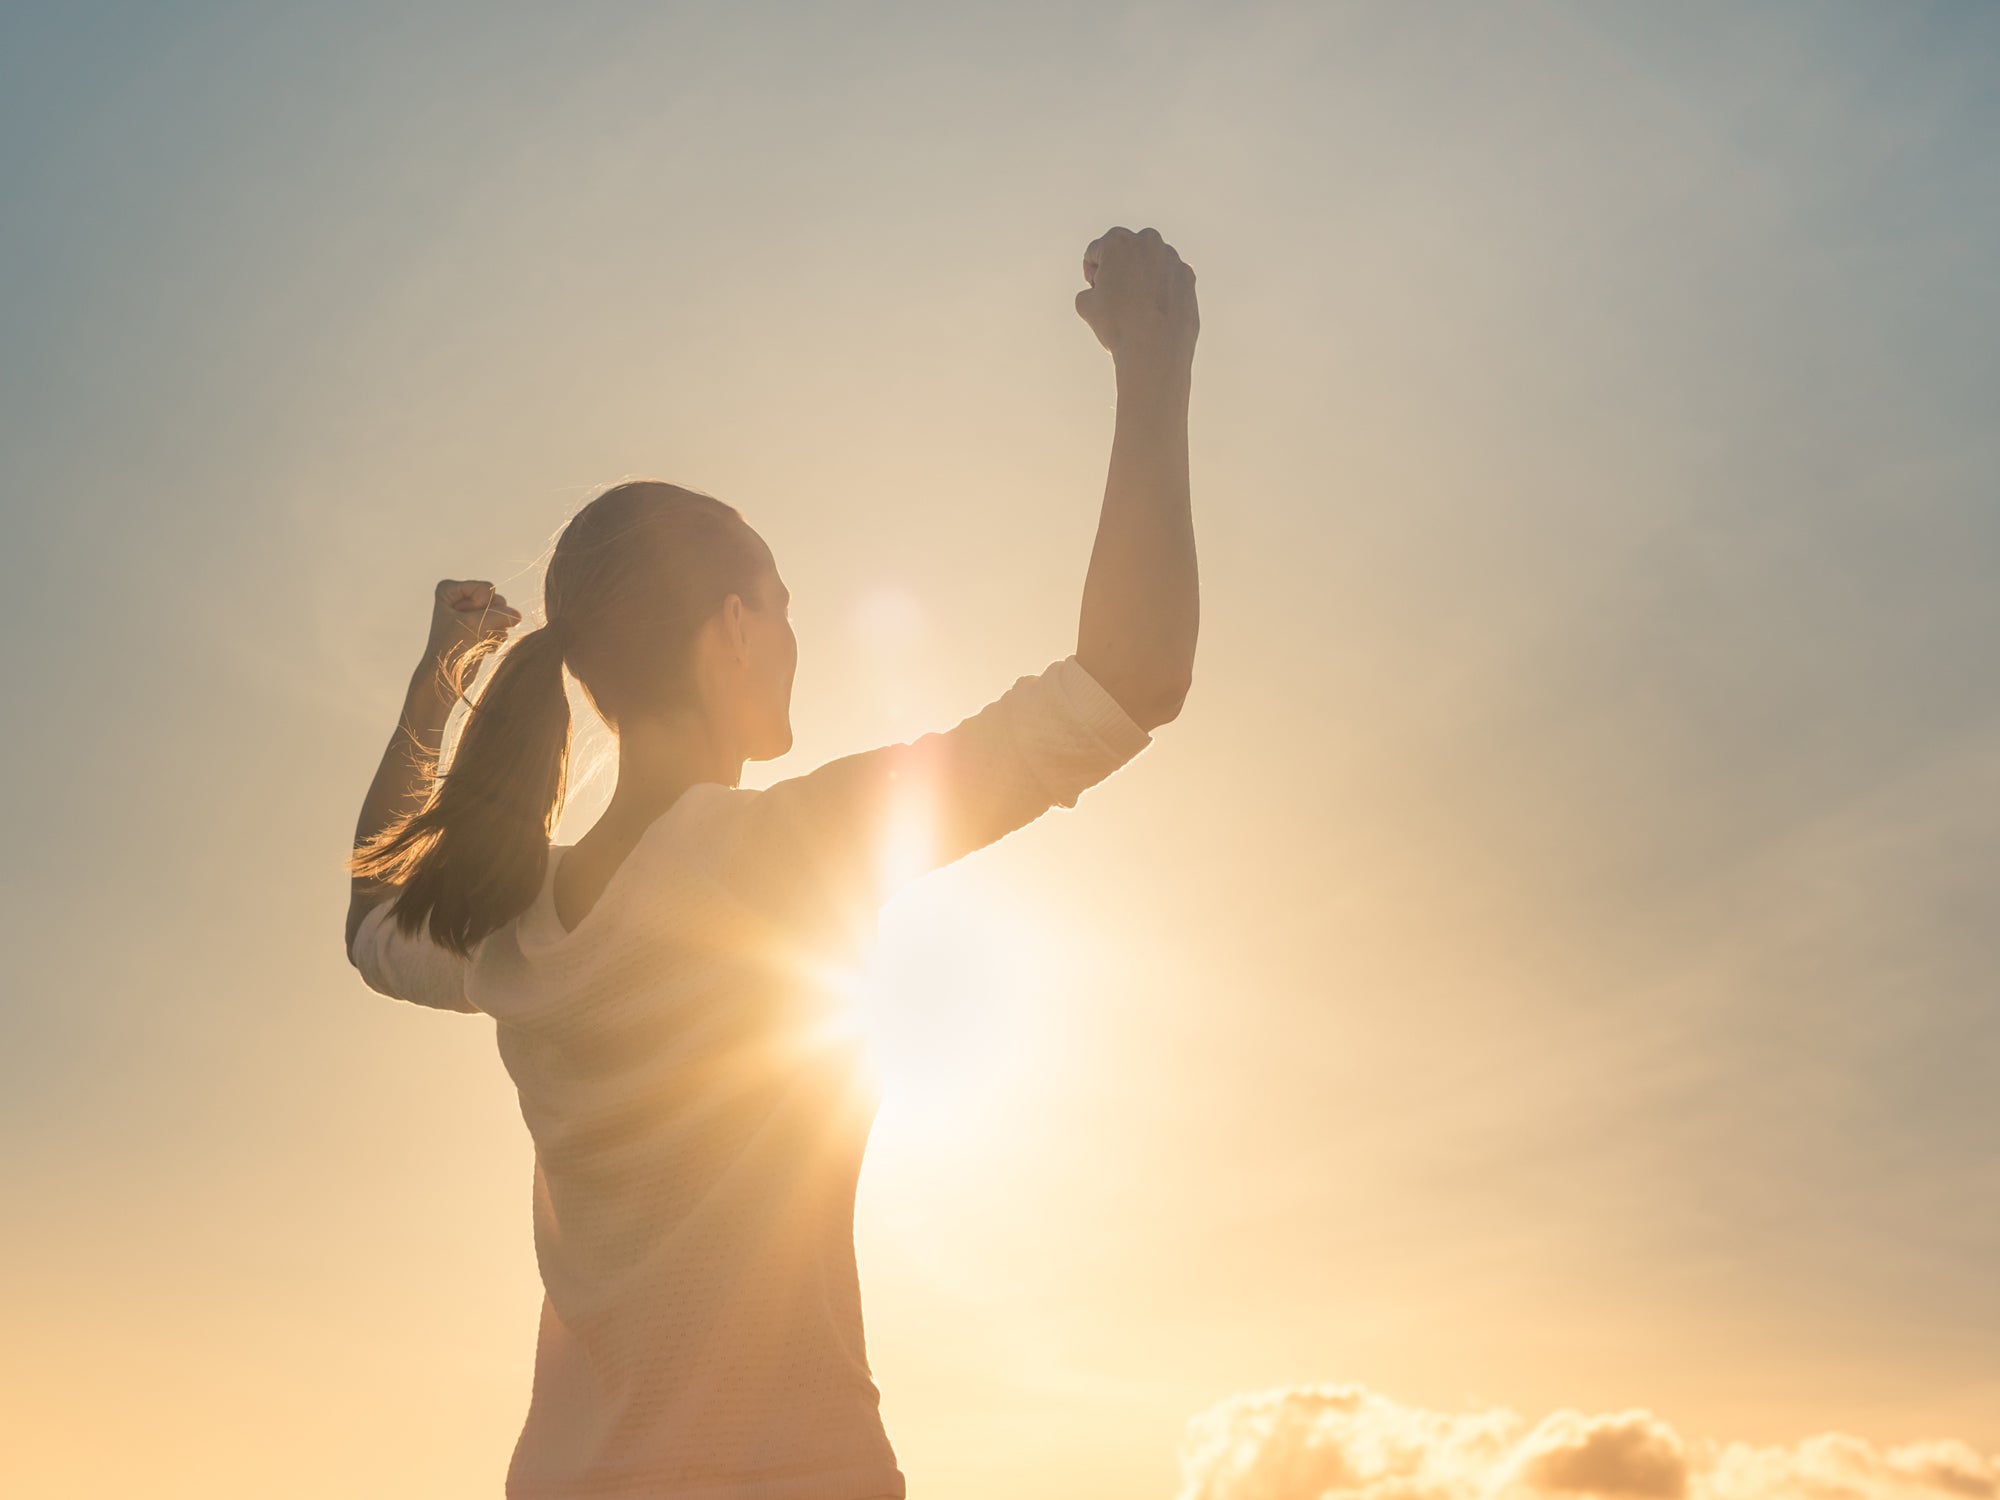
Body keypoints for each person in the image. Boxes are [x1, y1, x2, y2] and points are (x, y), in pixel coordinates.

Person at [344, 225, 1199, 1500]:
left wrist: (437, 683)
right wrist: (1157, 368)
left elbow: (368, 920)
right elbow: (1127, 682)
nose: (794, 637)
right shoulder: (781, 853)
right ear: (733, 630)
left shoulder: (506, 928)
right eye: (784, 604)